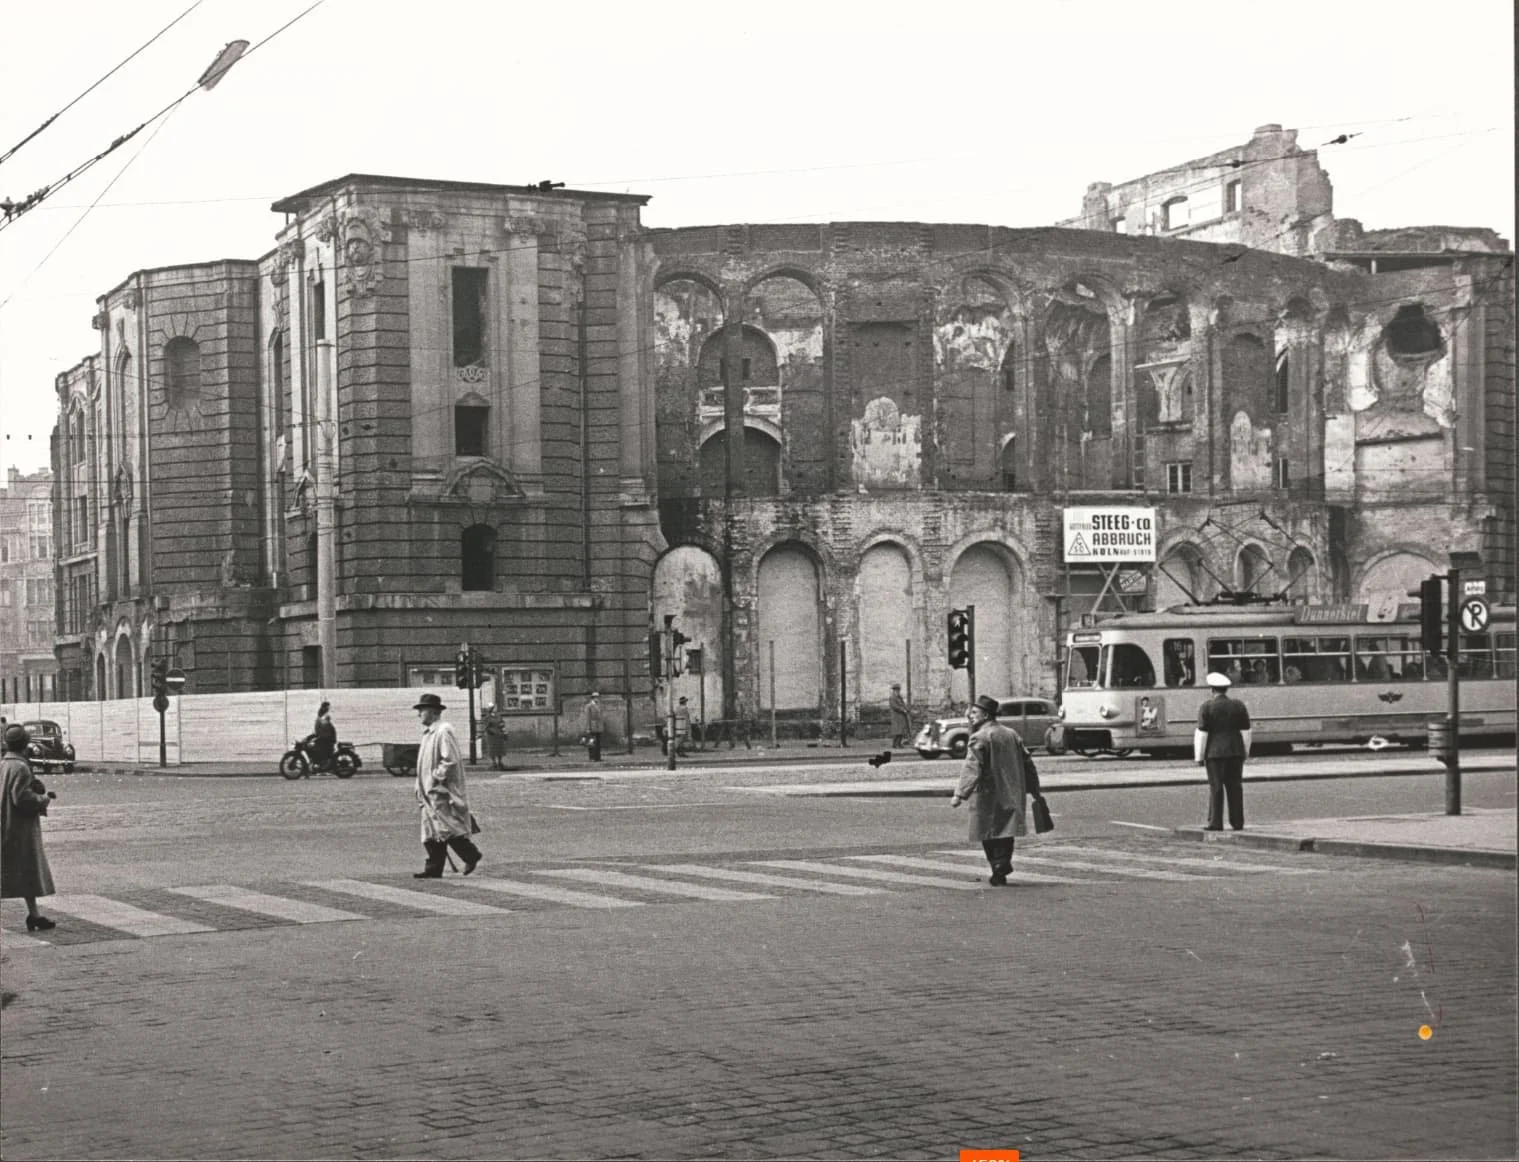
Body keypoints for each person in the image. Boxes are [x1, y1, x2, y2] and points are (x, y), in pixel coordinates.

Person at [950, 694, 1039, 886]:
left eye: (974, 713)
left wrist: (960, 794)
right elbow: (1027, 762)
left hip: (987, 792)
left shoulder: (980, 737)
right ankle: (1002, 863)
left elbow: (972, 766)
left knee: (987, 831)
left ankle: (997, 866)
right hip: (1012, 790)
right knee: (1007, 830)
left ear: (985, 716)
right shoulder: (1011, 734)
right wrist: (1034, 787)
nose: (970, 716)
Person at [412, 693, 482, 878]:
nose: (419, 714)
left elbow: (450, 759)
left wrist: (436, 777)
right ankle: (434, 868)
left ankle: (471, 854)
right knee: (431, 830)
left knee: (446, 827)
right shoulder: (430, 733)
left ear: (433, 712)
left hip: (439, 790)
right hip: (428, 790)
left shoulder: (443, 731)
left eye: (422, 710)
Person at [2, 723, 58, 931]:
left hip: (6, 824)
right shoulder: (21, 767)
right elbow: (22, 799)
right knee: (25, 869)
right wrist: (43, 799)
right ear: (25, 744)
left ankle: (34, 915)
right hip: (20, 829)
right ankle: (34, 915)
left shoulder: (4, 764)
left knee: (22, 872)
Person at [1195, 671, 1251, 831]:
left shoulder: (1206, 706)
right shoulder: (1238, 705)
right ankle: (1237, 822)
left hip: (1215, 753)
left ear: (1212, 690)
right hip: (1236, 751)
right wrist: (1245, 752)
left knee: (1216, 787)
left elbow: (1202, 733)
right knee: (1235, 786)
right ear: (1226, 689)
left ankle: (1215, 822)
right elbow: (1246, 730)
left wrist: (1199, 756)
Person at [309, 700, 337, 769]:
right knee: (315, 747)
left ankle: (322, 764)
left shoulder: (325, 715)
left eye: (328, 707)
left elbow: (326, 726)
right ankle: (319, 763)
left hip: (326, 736)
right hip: (324, 735)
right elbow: (321, 725)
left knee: (317, 748)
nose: (328, 708)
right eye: (327, 707)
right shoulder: (322, 714)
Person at [482, 707, 508, 771]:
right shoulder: (487, 717)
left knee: (500, 749)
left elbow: (502, 723)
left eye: (496, 709)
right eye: (494, 709)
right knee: (492, 749)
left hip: (499, 734)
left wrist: (504, 731)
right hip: (491, 735)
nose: (495, 710)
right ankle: (494, 762)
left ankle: (499, 761)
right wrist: (491, 731)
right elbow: (486, 726)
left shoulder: (498, 716)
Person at [888, 683, 912, 748]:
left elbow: (903, 705)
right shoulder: (892, 698)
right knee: (897, 731)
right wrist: (902, 710)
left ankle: (898, 743)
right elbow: (895, 706)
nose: (898, 691)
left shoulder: (900, 697)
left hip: (902, 716)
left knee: (901, 731)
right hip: (896, 717)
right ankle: (895, 744)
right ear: (894, 690)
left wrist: (907, 709)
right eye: (896, 690)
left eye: (898, 690)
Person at [583, 691, 603, 762]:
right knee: (591, 742)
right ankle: (592, 757)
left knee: (598, 743)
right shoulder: (589, 706)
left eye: (598, 697)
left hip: (598, 726)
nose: (597, 699)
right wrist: (588, 727)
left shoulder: (599, 705)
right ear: (592, 698)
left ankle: (598, 757)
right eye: (595, 697)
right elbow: (587, 717)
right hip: (592, 726)